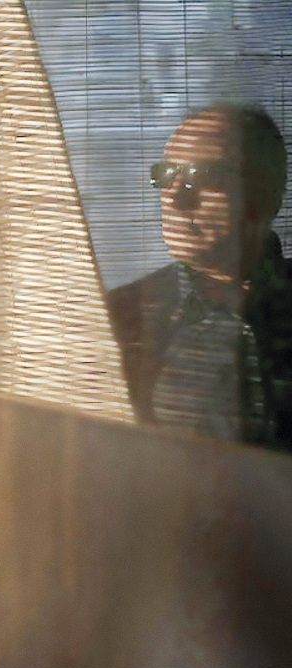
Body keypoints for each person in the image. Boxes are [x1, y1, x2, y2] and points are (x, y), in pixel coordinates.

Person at [108, 102, 292, 448]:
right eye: (166, 175)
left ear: (263, 194)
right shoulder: (119, 319)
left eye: (201, 176)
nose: (173, 197)